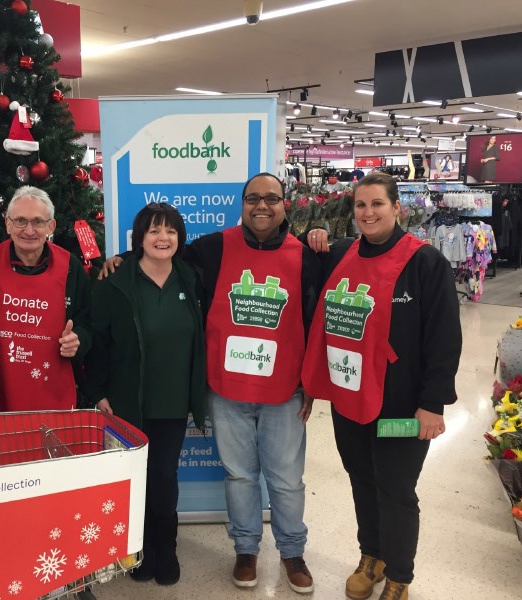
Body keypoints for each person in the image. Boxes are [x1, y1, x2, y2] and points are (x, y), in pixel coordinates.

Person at [102, 173, 322, 594]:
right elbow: (159, 251)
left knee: (287, 480)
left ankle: (293, 552)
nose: (262, 206)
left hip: (284, 391)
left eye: (271, 198)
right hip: (226, 389)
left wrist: (311, 381)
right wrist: (116, 259)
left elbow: (315, 321)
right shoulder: (216, 247)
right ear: (242, 204)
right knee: (239, 476)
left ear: (284, 205)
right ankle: (246, 550)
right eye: (253, 198)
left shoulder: (307, 256)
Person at [301, 171, 461, 600]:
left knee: (396, 488)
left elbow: (444, 339)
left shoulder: (426, 263)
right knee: (361, 478)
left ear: (397, 208)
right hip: (350, 398)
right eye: (360, 205)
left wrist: (433, 404)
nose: (368, 213)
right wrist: (315, 232)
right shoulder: (341, 254)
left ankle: (400, 577)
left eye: (377, 204)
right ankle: (371, 556)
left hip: (402, 407)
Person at [85, 203, 206, 586]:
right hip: (126, 401)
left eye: (170, 231)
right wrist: (98, 391)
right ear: (140, 238)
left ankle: (165, 548)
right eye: (154, 231)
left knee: (164, 477)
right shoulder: (116, 281)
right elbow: (98, 341)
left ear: (179, 238)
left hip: (172, 401)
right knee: (134, 476)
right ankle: (138, 549)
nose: (162, 238)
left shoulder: (192, 278)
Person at [0, 185, 91, 411]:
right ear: (8, 224)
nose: (29, 230)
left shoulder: (71, 268)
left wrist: (79, 340)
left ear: (51, 226)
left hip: (53, 392)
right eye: (20, 221)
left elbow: (87, 322)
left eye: (38, 222)